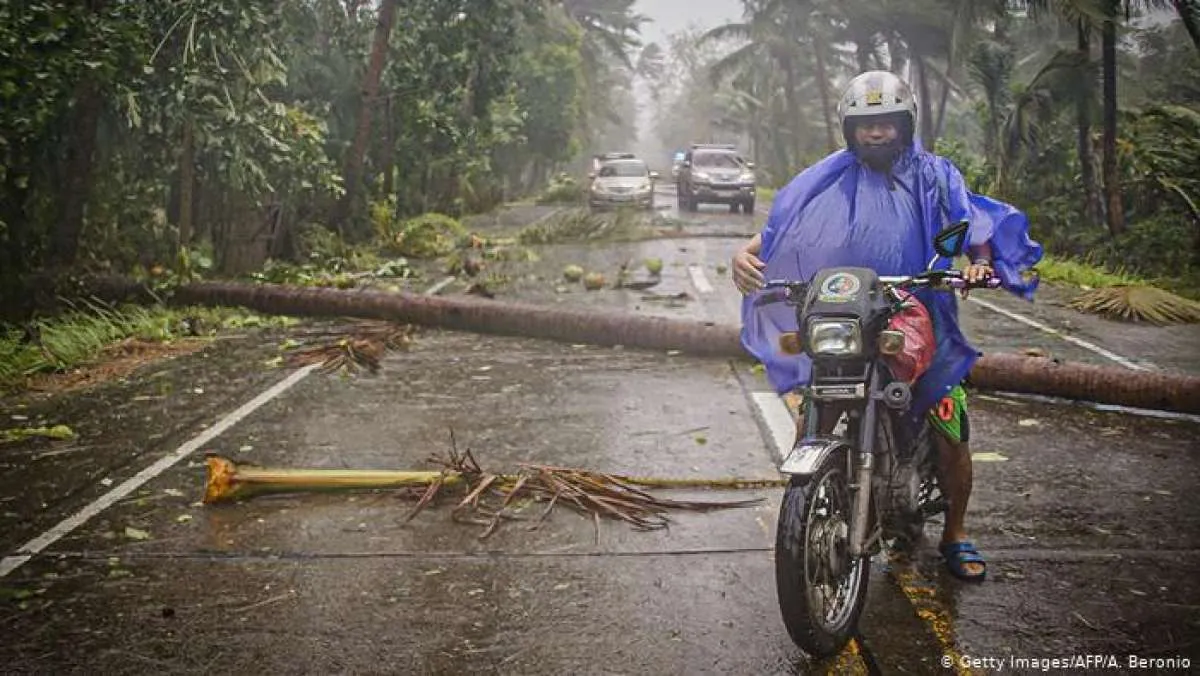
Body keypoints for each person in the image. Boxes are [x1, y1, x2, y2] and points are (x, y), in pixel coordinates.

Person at [732, 70, 1043, 583]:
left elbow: (967, 227)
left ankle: (956, 533)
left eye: (886, 123)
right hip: (847, 312)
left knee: (949, 423)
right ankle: (818, 494)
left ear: (904, 123)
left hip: (920, 311)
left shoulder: (936, 175)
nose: (875, 134)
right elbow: (780, 228)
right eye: (865, 125)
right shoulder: (825, 177)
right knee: (814, 401)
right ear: (848, 128)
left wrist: (975, 263)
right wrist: (740, 255)